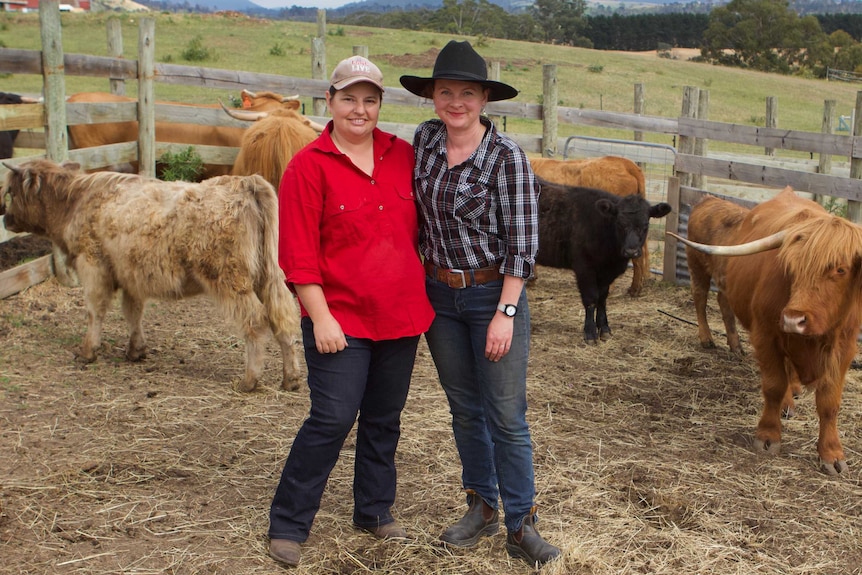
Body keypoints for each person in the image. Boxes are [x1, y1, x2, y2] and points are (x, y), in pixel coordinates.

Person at [268, 55, 435, 568]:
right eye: (349, 98)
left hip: (400, 314)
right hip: (338, 318)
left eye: (369, 100)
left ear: (380, 104)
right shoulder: (308, 166)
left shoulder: (402, 156)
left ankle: (374, 511)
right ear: (330, 102)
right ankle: (290, 523)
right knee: (333, 417)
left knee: (384, 418)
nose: (359, 109)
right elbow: (297, 257)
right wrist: (320, 317)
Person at [400, 40, 561, 568]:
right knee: (464, 407)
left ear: (485, 98)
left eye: (467, 92)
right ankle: (481, 504)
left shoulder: (507, 158)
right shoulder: (424, 141)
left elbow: (523, 247)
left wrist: (506, 313)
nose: (455, 101)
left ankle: (522, 522)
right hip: (439, 294)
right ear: (431, 97)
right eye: (445, 91)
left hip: (494, 292)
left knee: (506, 413)